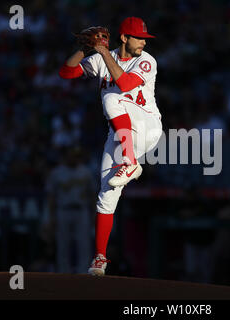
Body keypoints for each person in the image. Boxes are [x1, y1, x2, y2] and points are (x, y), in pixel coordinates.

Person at [59, 17, 163, 276]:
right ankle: (100, 258)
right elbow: (66, 72)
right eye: (139, 37)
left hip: (147, 126)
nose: (143, 42)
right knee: (106, 193)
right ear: (125, 37)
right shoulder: (102, 57)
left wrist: (103, 52)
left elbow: (126, 84)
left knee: (111, 97)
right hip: (120, 133)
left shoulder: (147, 60)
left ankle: (130, 162)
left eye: (144, 38)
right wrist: (86, 48)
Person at [46, 147, 95, 273]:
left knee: (84, 244)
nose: (73, 157)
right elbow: (51, 196)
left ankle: (83, 273)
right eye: (71, 154)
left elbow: (92, 195)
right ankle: (63, 273)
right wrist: (52, 217)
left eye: (76, 155)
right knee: (63, 244)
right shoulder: (57, 172)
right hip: (63, 210)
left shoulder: (86, 172)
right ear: (65, 156)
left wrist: (94, 214)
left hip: (82, 210)